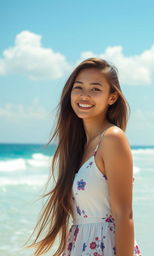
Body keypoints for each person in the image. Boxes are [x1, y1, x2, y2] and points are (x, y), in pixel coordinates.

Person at [24, 57, 142, 256]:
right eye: (78, 88)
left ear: (112, 97)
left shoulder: (112, 139)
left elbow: (124, 216)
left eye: (95, 89)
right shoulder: (78, 147)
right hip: (79, 245)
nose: (84, 95)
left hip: (106, 248)